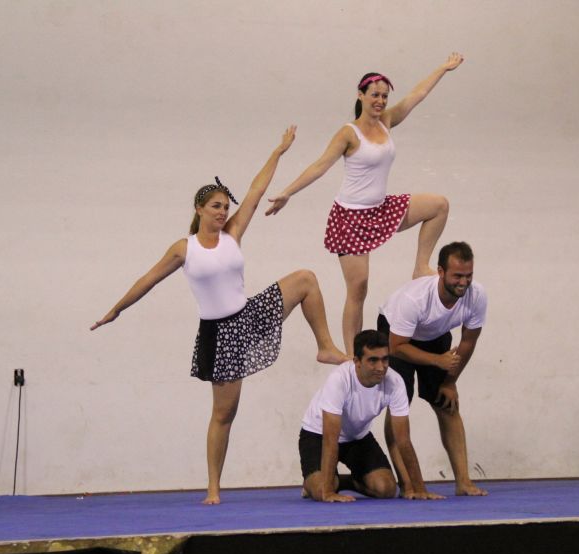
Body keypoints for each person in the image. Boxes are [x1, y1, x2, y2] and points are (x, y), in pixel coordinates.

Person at [91, 126, 348, 505]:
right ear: (199, 209)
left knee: (306, 279)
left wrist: (278, 152)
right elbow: (148, 280)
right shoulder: (184, 249)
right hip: (220, 334)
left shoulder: (233, 234)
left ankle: (324, 346)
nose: (223, 212)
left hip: (248, 314)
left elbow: (256, 191)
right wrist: (116, 309)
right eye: (216, 206)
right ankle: (213, 487)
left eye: (226, 207)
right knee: (224, 414)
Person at [266, 54, 465, 355]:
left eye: (384, 96)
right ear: (360, 95)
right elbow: (320, 165)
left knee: (438, 206)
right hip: (351, 218)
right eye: (375, 95)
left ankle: (420, 266)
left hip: (381, 209)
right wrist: (287, 192)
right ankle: (351, 356)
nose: (380, 101)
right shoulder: (349, 133)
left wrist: (443, 69)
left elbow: (417, 95)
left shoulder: (386, 121)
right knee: (358, 289)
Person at [377, 241, 488, 496]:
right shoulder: (413, 300)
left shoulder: (477, 295)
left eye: (468, 276)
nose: (463, 282)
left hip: (435, 333)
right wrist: (437, 361)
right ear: (440, 272)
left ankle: (464, 482)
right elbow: (397, 347)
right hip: (396, 334)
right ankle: (408, 484)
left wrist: (449, 382)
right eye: (457, 276)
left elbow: (468, 341)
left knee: (448, 404)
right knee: (399, 405)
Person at [299, 330, 444, 503]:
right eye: (373, 360)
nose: (381, 367)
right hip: (318, 435)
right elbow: (330, 440)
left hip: (357, 437)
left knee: (387, 489)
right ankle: (320, 484)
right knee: (320, 491)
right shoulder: (339, 380)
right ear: (357, 362)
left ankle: (342, 482)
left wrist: (419, 489)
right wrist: (328, 492)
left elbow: (403, 440)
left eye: (385, 359)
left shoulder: (395, 382)